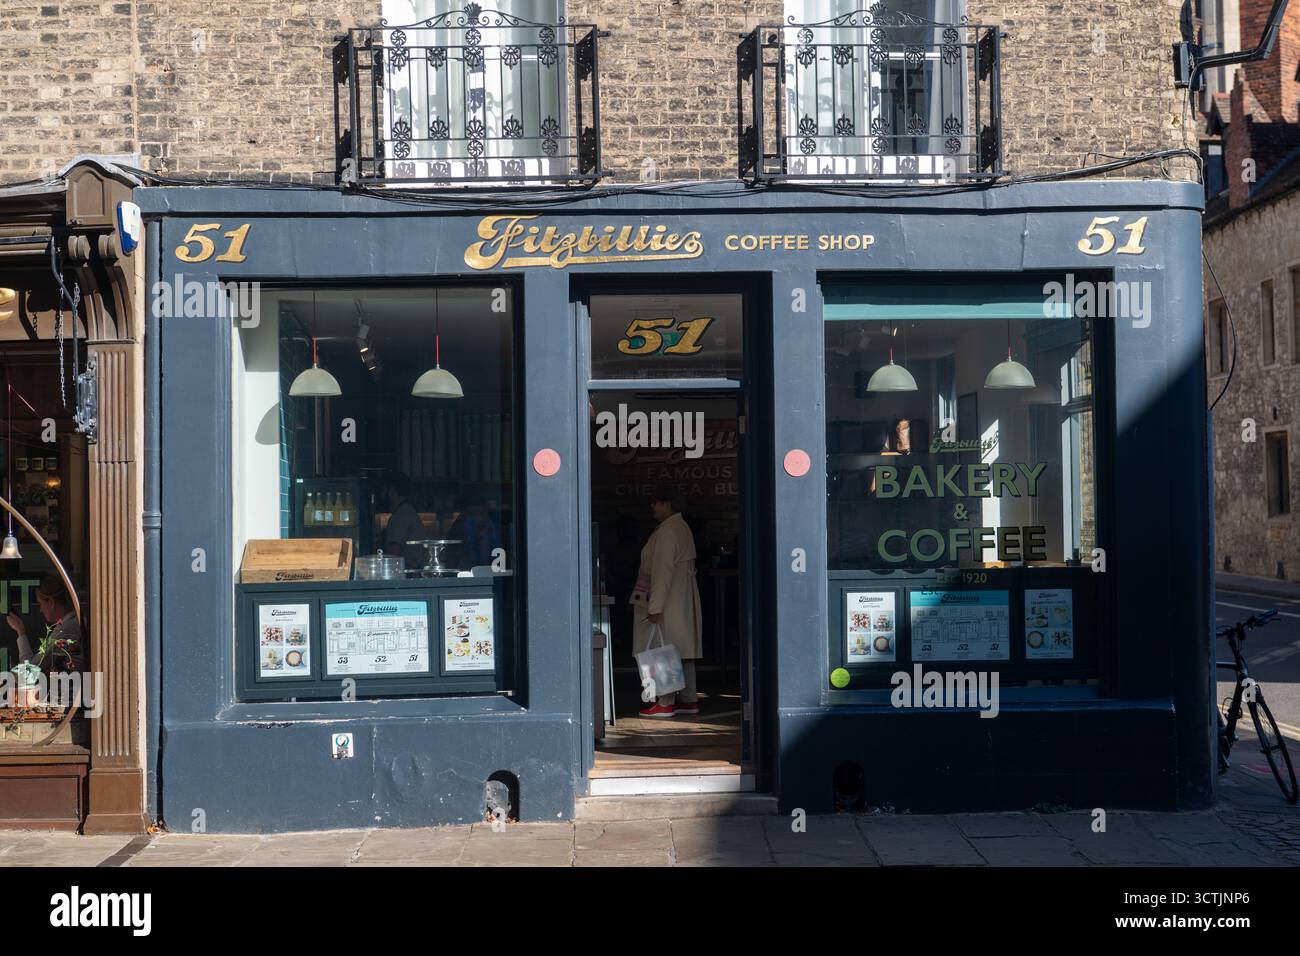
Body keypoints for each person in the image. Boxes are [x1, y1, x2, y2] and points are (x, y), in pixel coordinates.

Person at [631, 490, 703, 718]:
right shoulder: (681, 528)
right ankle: (689, 699)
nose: (652, 507)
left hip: (668, 600)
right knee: (682, 650)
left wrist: (655, 607)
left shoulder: (667, 532)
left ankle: (665, 701)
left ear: (666, 503)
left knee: (662, 649)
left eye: (655, 502)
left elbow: (662, 572)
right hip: (681, 598)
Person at [4, 574, 84, 675]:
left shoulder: (65, 630)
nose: (41, 610)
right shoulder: (72, 623)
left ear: (51, 602)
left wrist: (20, 631)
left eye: (41, 603)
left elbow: (30, 673)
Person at [380, 472, 426, 569]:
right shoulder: (407, 511)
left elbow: (394, 551)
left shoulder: (401, 515)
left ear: (391, 490)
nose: (381, 494)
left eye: (383, 490)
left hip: (407, 571)